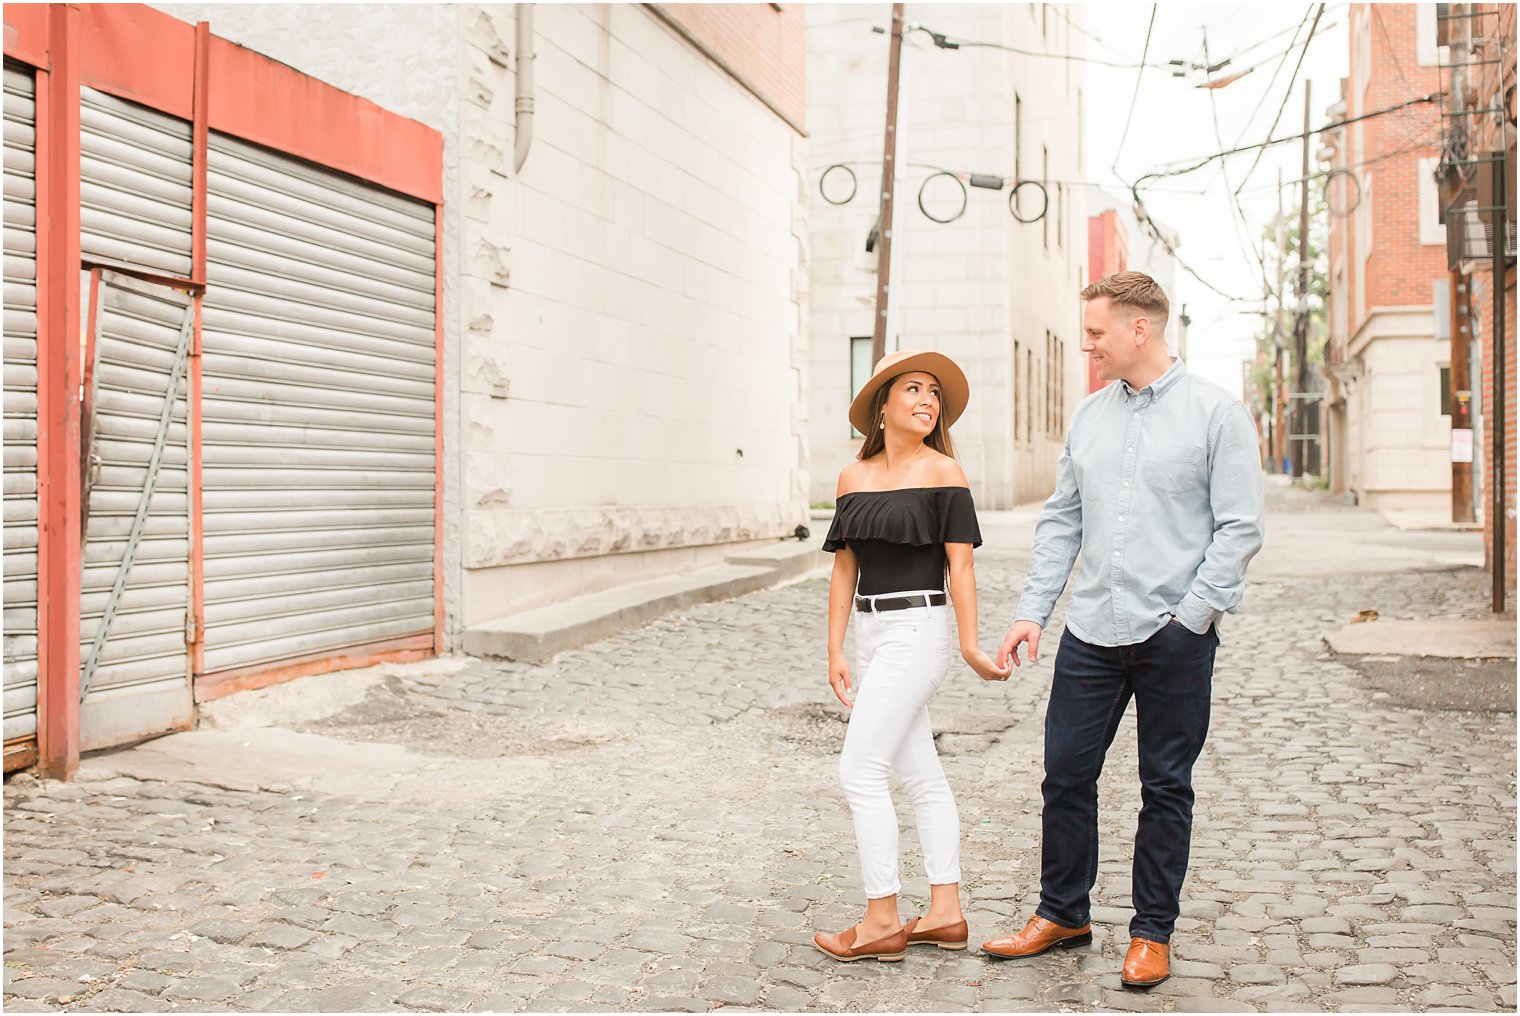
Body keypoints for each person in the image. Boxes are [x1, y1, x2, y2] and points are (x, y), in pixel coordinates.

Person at [981, 273, 1265, 988]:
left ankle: (1151, 933)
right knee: (1065, 774)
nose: (1089, 344)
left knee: (1165, 785)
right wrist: (1030, 613)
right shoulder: (1088, 417)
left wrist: (1192, 618)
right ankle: (1063, 912)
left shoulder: (1217, 415)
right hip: (1091, 632)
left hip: (1175, 635)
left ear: (1140, 329)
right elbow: (1062, 521)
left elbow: (1239, 529)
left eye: (1098, 332)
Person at [812, 349, 1012, 963]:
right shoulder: (853, 477)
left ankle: (881, 919)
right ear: (883, 405)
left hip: (919, 630)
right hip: (872, 636)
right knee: (921, 777)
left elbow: (962, 565)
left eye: (935, 394)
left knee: (859, 771)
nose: (928, 400)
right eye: (914, 390)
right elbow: (846, 565)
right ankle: (946, 913)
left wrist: (972, 643)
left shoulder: (944, 472)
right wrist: (836, 648)